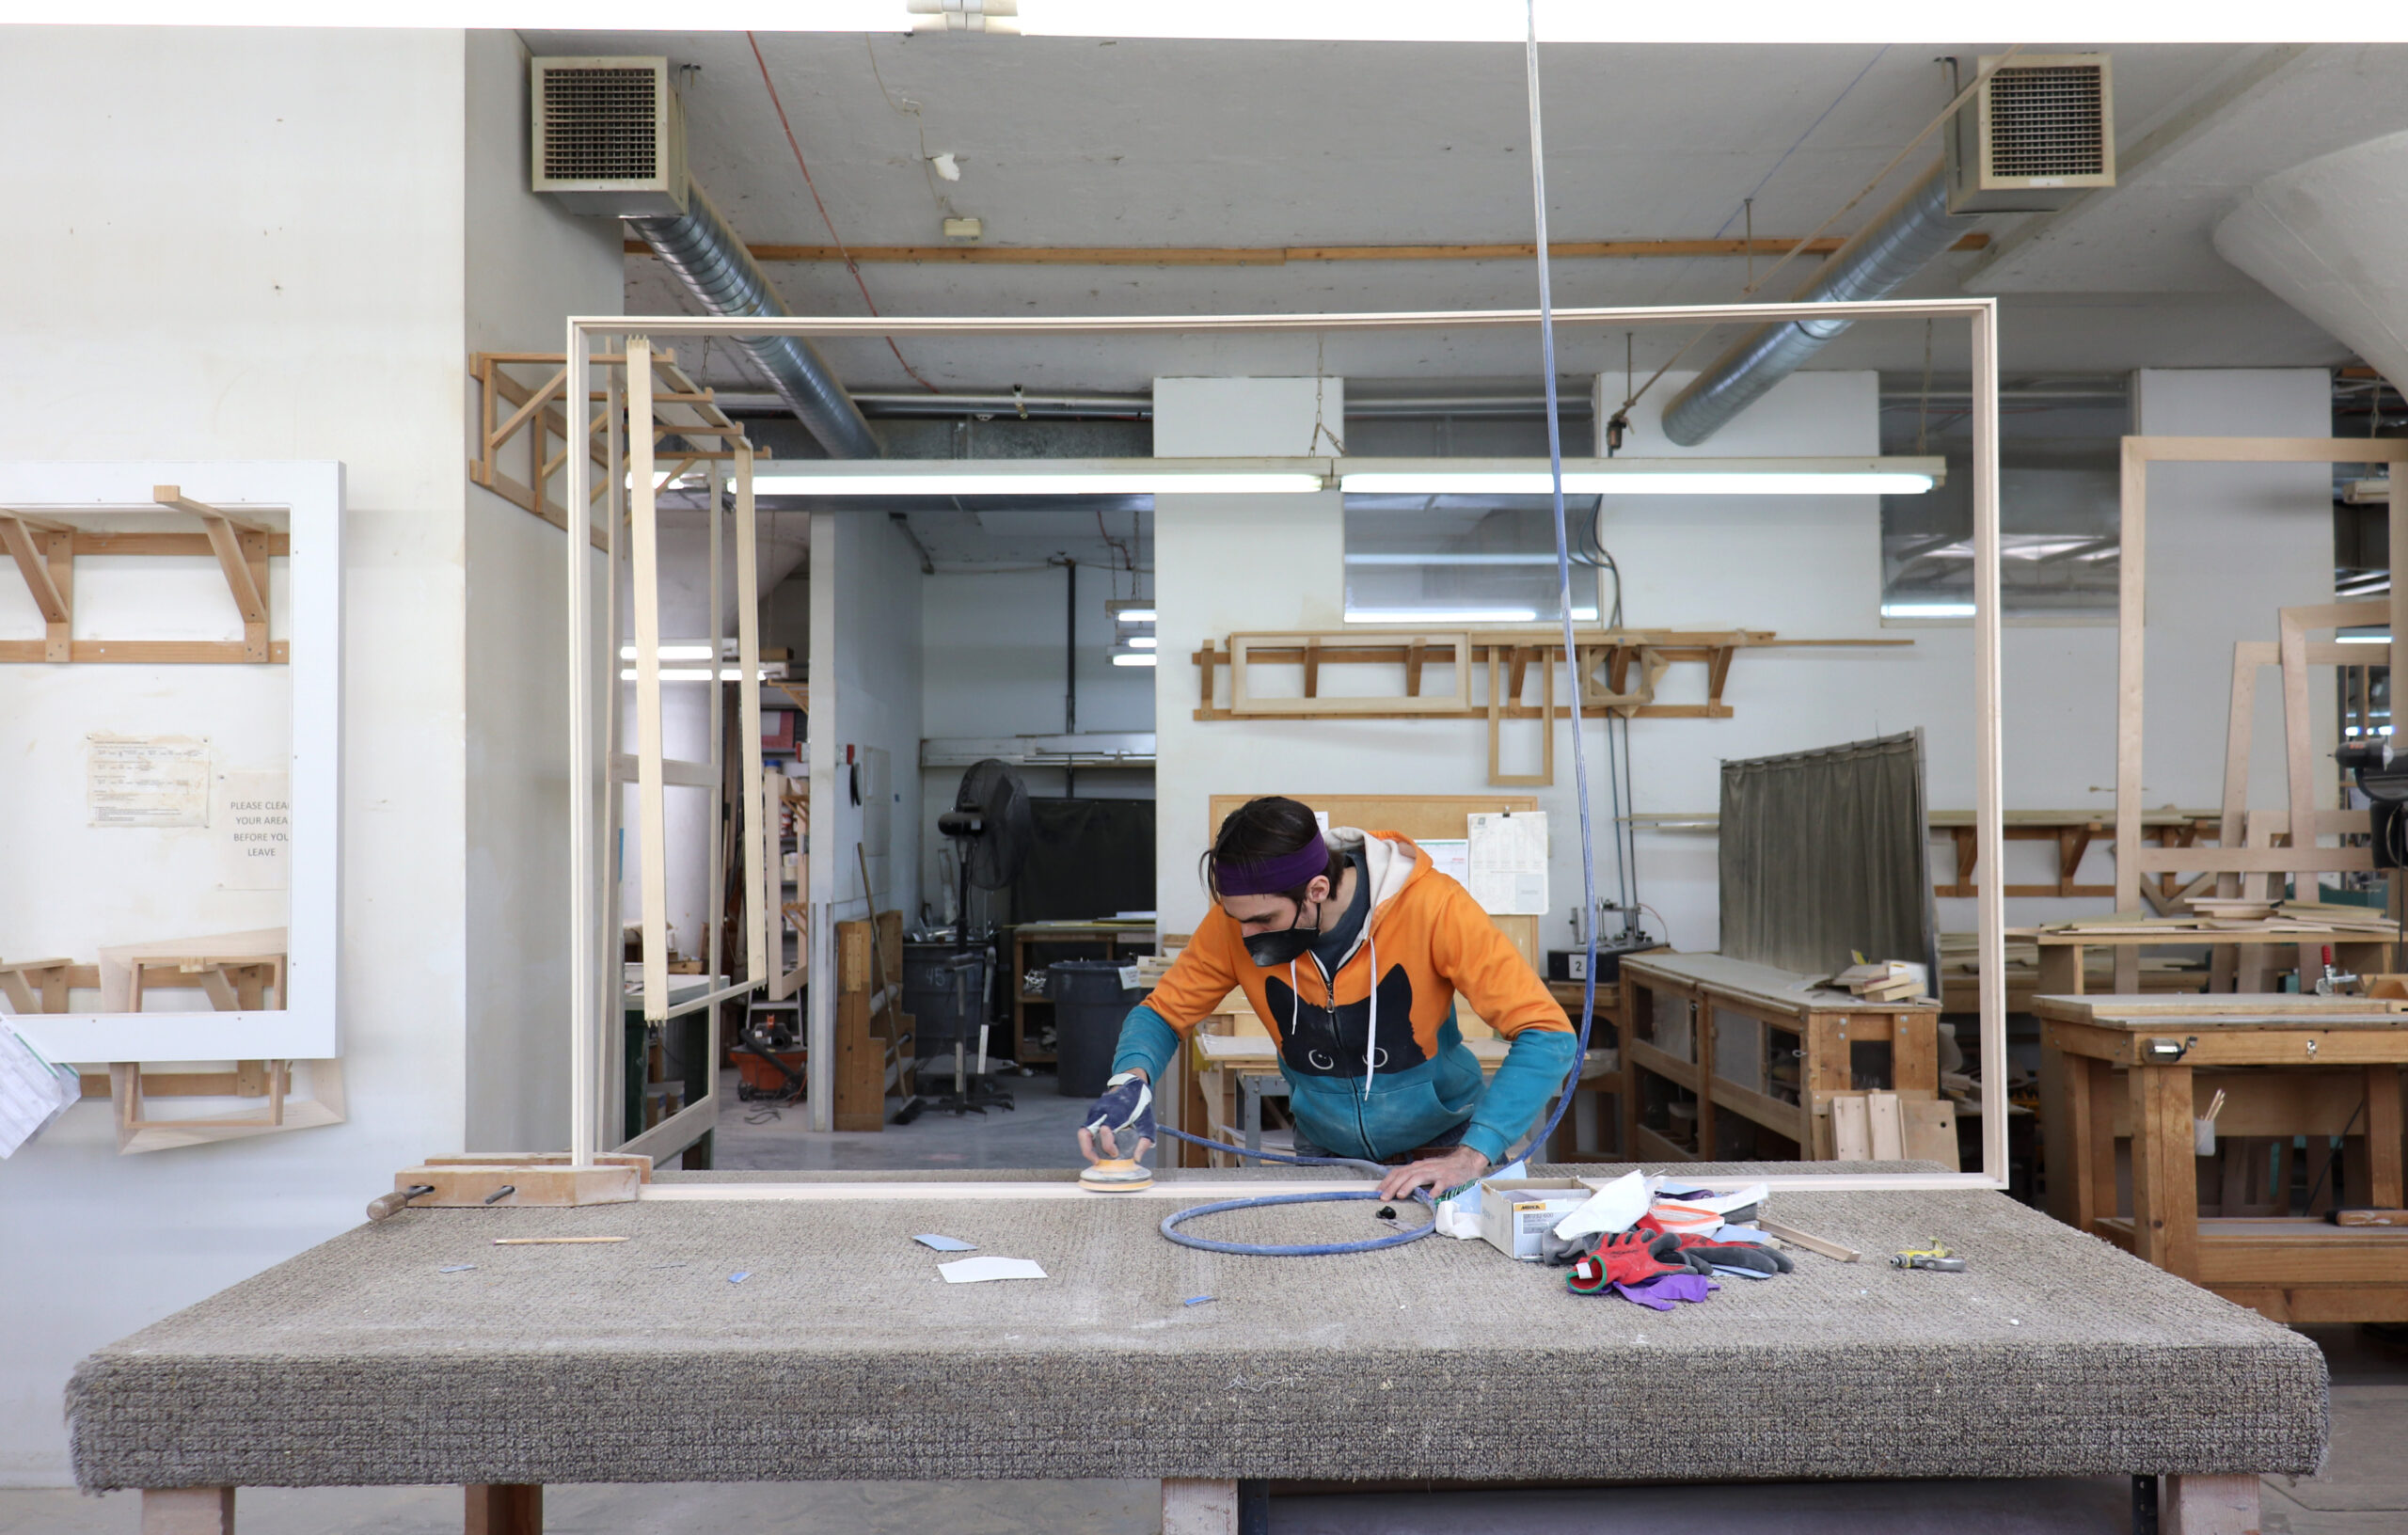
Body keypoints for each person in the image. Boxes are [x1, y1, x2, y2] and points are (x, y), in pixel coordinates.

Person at [1078, 797, 1576, 1200]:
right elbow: (1163, 1014)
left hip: (1444, 1147)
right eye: (1237, 920)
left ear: (1317, 889)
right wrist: (1130, 1079)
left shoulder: (1435, 908)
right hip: (1324, 1151)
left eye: (1265, 921)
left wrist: (1476, 1152)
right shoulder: (1237, 923)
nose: (1247, 936)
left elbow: (1547, 1034)